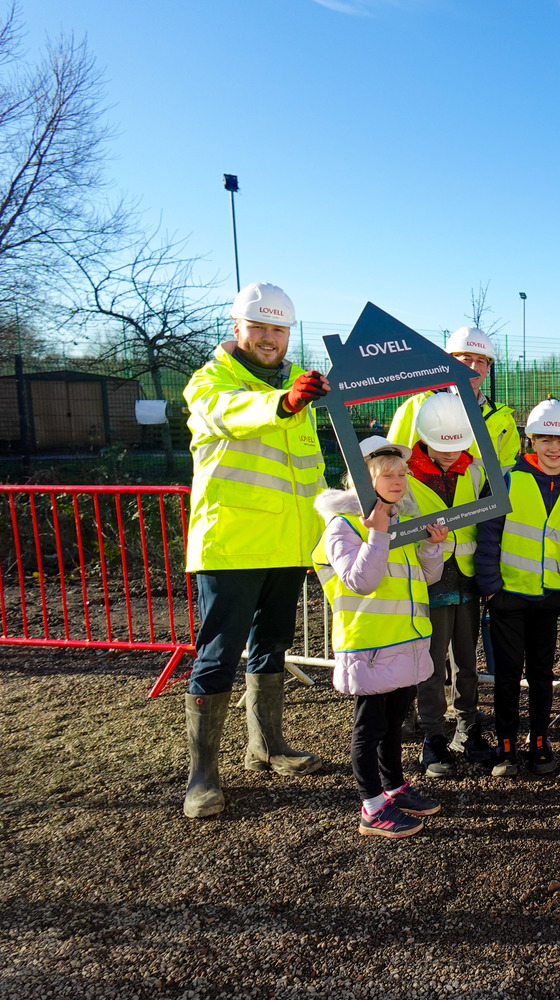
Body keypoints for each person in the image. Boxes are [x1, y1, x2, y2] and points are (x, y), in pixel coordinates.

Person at [181, 282, 329, 820]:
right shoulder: (211, 379)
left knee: (273, 645)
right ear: (237, 327)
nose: (269, 339)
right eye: (260, 328)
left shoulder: (302, 383)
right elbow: (229, 412)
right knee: (218, 655)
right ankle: (202, 776)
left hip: (289, 542)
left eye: (279, 330)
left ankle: (267, 746)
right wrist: (284, 403)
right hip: (233, 544)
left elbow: (304, 467)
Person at [312, 437, 447, 838]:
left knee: (392, 724)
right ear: (362, 479)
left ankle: (394, 788)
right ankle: (371, 807)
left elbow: (428, 577)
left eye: (402, 473)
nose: (398, 480)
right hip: (370, 644)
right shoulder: (344, 525)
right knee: (368, 728)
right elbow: (361, 580)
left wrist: (431, 547)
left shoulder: (400, 519)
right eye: (387, 474)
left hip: (405, 640)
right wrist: (378, 534)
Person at [475, 398, 560, 777]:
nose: (554, 448)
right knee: (506, 676)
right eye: (546, 439)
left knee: (542, 676)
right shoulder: (506, 479)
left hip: (547, 601)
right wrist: (492, 589)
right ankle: (505, 745)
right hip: (508, 598)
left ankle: (539, 741)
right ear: (530, 440)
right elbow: (487, 536)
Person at [405, 393, 491, 778]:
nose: (450, 455)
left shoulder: (474, 470)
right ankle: (433, 735)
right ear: (425, 439)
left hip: (467, 580)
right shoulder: (406, 474)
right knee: (430, 663)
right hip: (430, 582)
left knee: (467, 662)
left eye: (456, 447)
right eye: (442, 448)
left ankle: (467, 726)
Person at [388, 327, 520, 475]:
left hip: (484, 497)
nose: (473, 367)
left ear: (488, 368)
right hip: (427, 497)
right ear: (449, 361)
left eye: (481, 361)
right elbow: (391, 462)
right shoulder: (418, 407)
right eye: (466, 359)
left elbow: (507, 472)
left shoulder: (503, 418)